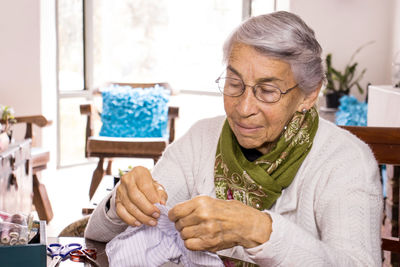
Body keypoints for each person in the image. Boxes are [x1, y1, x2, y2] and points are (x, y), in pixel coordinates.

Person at [85, 11, 382, 266]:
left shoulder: (346, 161)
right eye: (234, 83)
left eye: (267, 91)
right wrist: (123, 201)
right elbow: (97, 234)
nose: (243, 108)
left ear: (309, 94)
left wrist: (259, 229)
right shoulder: (201, 138)